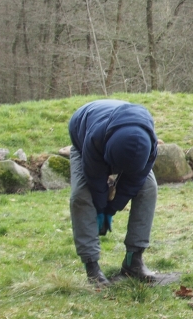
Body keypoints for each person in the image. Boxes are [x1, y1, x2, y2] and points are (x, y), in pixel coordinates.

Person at [68, 99, 159, 286]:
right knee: (81, 195)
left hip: (126, 144)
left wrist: (111, 209)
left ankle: (133, 261)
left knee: (148, 188)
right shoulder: (94, 138)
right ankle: (91, 267)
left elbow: (134, 181)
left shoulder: (149, 145)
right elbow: (95, 178)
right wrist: (101, 209)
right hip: (84, 138)